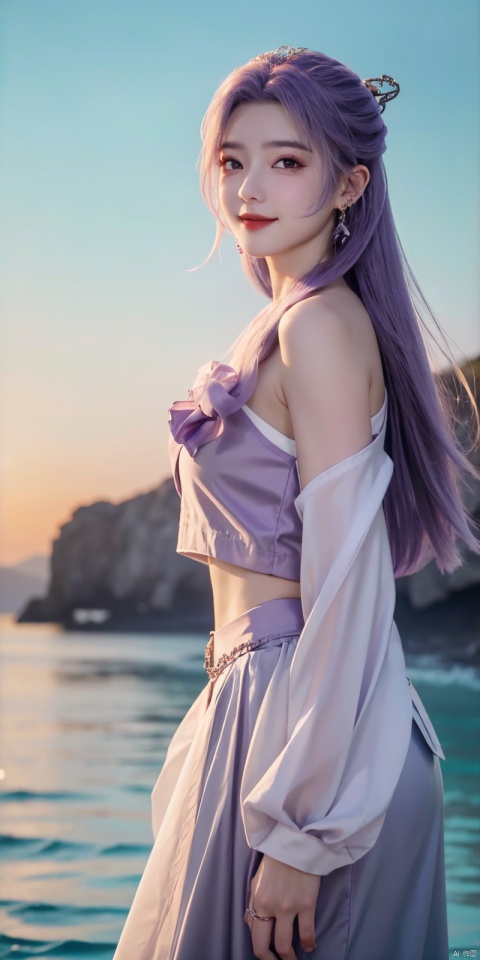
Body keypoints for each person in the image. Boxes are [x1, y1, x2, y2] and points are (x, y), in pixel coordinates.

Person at [113, 47, 480, 960]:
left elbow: (349, 589)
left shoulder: (319, 324)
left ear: (348, 183)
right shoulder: (288, 324)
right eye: (235, 160)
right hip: (272, 712)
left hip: (303, 743)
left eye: (288, 160)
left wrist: (304, 832)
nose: (251, 185)